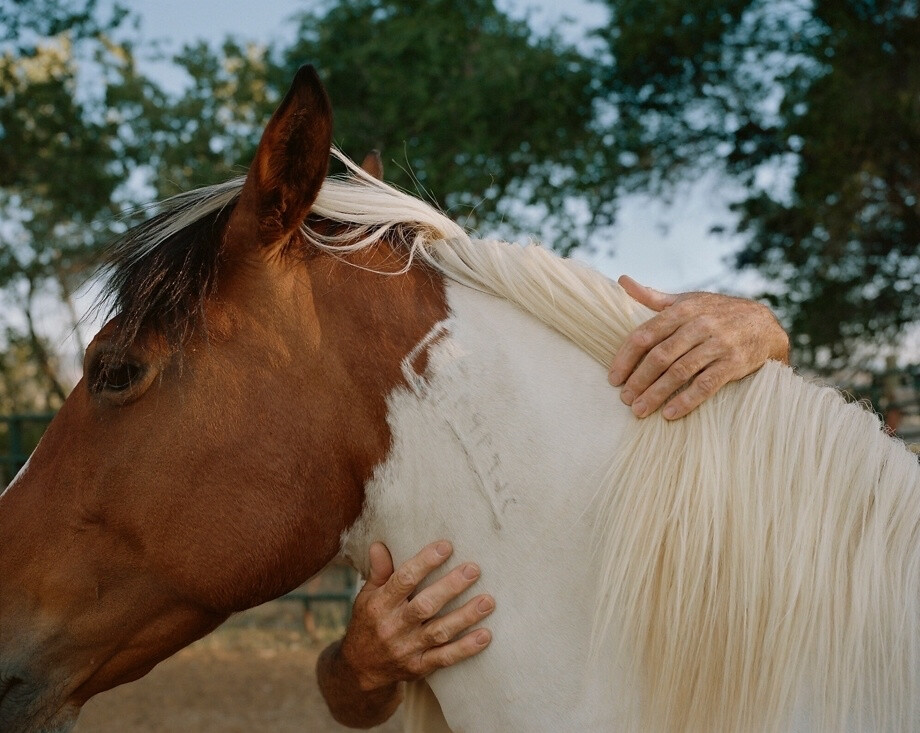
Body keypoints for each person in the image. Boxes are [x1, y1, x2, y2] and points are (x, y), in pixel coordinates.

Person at [317, 276, 791, 729]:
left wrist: (764, 335)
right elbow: (352, 709)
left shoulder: (640, 415)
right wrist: (361, 665)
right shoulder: (418, 490)